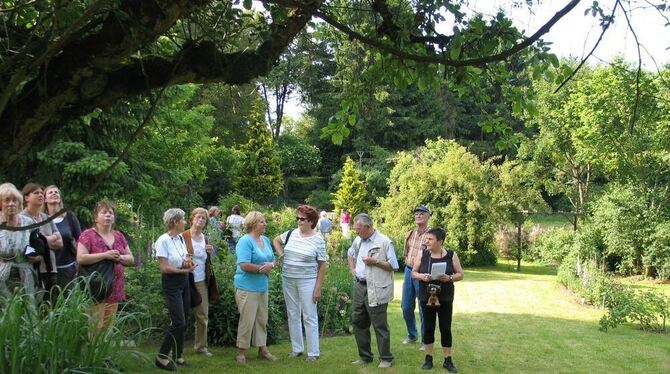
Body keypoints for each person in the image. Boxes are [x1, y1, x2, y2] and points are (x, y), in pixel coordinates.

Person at [272, 205, 327, 361]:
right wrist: (282, 255)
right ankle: (297, 349)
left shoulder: (318, 240)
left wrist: (318, 288)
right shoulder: (291, 233)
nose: (298, 221)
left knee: (309, 316)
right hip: (288, 279)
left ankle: (313, 353)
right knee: (292, 314)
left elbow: (322, 265)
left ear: (311, 221)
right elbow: (276, 240)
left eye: (302, 219)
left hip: (307, 281)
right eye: (297, 218)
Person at [347, 213, 399, 369]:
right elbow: (350, 254)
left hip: (376, 287)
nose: (356, 232)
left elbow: (394, 265)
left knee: (379, 324)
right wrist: (353, 270)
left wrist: (374, 261)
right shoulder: (358, 240)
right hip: (360, 286)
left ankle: (386, 358)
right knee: (358, 321)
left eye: (358, 229)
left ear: (368, 227)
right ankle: (365, 356)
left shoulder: (384, 241)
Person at [411, 228, 464, 372]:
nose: (426, 241)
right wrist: (423, 276)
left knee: (445, 328)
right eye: (426, 239)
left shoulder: (451, 255)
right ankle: (428, 359)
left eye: (430, 239)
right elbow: (413, 273)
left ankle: (448, 360)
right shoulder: (422, 254)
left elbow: (460, 274)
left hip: (445, 297)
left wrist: (450, 278)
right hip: (426, 296)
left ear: (440, 241)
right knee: (428, 327)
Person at [77, 200, 135, 330]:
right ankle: (94, 350)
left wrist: (119, 257)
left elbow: (131, 259)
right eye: (104, 212)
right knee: (95, 327)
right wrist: (105, 255)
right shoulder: (87, 235)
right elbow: (81, 258)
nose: (108, 215)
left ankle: (105, 351)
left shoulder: (119, 236)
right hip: (96, 287)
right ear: (96, 217)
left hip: (115, 287)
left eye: (111, 213)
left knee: (108, 326)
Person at [234, 211, 277, 364]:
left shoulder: (264, 239)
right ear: (252, 224)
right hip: (247, 287)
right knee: (247, 320)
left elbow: (273, 260)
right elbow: (244, 264)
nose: (265, 224)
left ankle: (262, 349)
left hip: (262, 286)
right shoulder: (245, 241)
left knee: (261, 319)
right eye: (262, 222)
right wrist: (261, 269)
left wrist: (271, 265)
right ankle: (241, 352)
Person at [155, 208, 195, 371]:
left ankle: (178, 355)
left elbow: (183, 257)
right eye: (183, 219)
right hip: (172, 282)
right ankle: (162, 357)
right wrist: (184, 270)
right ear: (176, 221)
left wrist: (187, 261)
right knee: (178, 321)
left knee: (183, 319)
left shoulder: (179, 238)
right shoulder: (163, 240)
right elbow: (164, 268)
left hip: (183, 280)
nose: (185, 222)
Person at [183, 208, 215, 357]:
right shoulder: (183, 236)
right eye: (198, 217)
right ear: (192, 218)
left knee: (202, 316)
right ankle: (175, 347)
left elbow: (207, 262)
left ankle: (201, 346)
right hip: (184, 280)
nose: (201, 220)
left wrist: (210, 253)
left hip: (201, 281)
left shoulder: (206, 239)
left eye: (204, 218)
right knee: (179, 316)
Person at [21, 183, 62, 300]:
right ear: (26, 197)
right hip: (32, 270)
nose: (40, 195)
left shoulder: (46, 217)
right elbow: (24, 244)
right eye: (36, 193)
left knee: (51, 307)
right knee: (34, 306)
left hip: (51, 269)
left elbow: (60, 242)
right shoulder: (22, 218)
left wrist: (43, 241)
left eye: (41, 193)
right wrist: (51, 238)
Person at [0, 183, 40, 301]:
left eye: (15, 200)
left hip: (25, 274)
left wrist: (35, 255)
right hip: (2, 277)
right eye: (7, 200)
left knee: (29, 311)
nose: (11, 204)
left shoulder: (28, 223)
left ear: (19, 203)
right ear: (1, 204)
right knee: (7, 313)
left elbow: (37, 244)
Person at [401, 205, 431, 347]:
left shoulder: (431, 235)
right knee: (406, 306)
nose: (418, 216)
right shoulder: (410, 233)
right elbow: (406, 252)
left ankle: (426, 340)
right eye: (416, 214)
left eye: (421, 213)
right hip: (408, 271)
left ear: (428, 216)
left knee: (423, 306)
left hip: (422, 273)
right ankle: (412, 335)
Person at [44, 185, 82, 290]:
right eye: (50, 192)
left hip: (68, 268)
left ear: (60, 198)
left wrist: (79, 262)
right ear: (45, 199)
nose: (54, 193)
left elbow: (81, 240)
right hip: (47, 270)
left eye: (56, 192)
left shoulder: (69, 216)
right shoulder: (41, 219)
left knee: (68, 303)